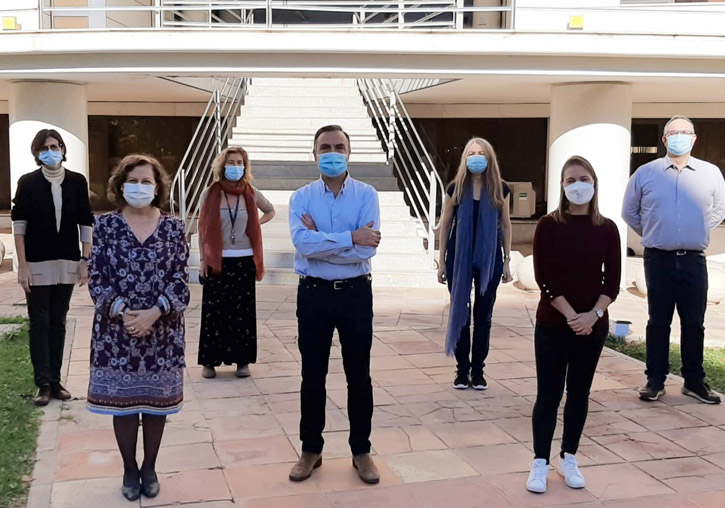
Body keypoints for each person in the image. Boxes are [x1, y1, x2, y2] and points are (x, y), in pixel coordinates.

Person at [86, 154, 190, 501]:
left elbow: (180, 280)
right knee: (124, 405)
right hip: (117, 334)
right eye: (134, 180)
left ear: (158, 187)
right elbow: (96, 279)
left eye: (147, 181)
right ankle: (130, 468)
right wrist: (125, 313)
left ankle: (150, 466)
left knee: (157, 405)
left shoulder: (174, 228)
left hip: (163, 332)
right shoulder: (105, 227)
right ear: (120, 184)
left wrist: (154, 313)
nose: (140, 187)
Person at [287, 125, 381, 484]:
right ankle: (311, 449)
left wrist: (324, 240)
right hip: (314, 294)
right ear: (314, 153)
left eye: (339, 146)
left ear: (349, 152)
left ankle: (361, 451)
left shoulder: (367, 194)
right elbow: (303, 246)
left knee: (359, 376)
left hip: (356, 293)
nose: (332, 152)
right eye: (325, 147)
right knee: (313, 375)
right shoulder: (302, 198)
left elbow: (368, 248)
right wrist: (349, 238)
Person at [526, 156, 621, 494]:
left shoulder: (607, 228)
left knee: (579, 393)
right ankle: (540, 461)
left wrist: (592, 316)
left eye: (583, 178)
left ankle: (569, 457)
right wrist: (570, 316)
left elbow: (612, 283)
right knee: (548, 394)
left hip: (592, 326)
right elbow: (545, 278)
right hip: (553, 323)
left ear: (594, 184)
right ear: (562, 186)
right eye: (570, 180)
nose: (577, 185)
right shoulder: (549, 225)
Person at [623, 115, 725, 405]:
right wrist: (657, 231)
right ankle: (655, 380)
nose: (679, 136)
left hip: (694, 260)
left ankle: (694, 381)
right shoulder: (646, 172)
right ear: (664, 140)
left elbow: (718, 211)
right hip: (658, 258)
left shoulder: (710, 173)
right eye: (673, 132)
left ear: (694, 139)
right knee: (658, 322)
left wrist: (695, 231)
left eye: (685, 132)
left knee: (695, 323)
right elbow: (630, 212)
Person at [11, 128, 93, 406]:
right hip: (36, 263)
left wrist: (86, 260)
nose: (51, 151)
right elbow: (19, 225)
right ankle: (43, 384)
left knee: (58, 322)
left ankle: (56, 382)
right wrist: (22, 266)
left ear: (63, 149)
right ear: (37, 153)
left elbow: (86, 221)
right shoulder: (28, 182)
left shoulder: (77, 182)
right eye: (45, 147)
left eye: (56, 146)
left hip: (67, 262)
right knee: (39, 322)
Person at [437, 137, 513, 390]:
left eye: (481, 153)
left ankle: (478, 371)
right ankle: (461, 371)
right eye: (471, 153)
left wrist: (508, 260)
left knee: (484, 316)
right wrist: (441, 263)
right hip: (459, 258)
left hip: (490, 258)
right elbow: (445, 225)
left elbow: (505, 224)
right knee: (461, 312)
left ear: (489, 158)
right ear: (465, 158)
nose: (476, 157)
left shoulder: (500, 189)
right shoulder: (455, 188)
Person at [197, 147, 275, 379]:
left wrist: (255, 225)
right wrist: (202, 260)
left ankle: (243, 361)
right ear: (223, 166)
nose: (235, 166)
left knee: (243, 313)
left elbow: (270, 210)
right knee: (214, 313)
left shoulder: (250, 193)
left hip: (244, 261)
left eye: (239, 162)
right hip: (217, 260)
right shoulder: (210, 193)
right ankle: (209, 362)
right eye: (231, 162)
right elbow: (202, 230)